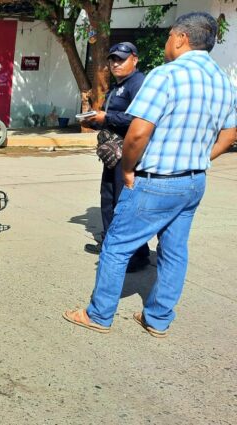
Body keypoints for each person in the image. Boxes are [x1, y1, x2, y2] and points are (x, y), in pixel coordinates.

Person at [64, 12, 237, 337]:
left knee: (115, 245)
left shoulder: (166, 76)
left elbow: (139, 133)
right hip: (194, 181)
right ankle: (157, 319)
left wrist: (128, 168)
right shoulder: (223, 82)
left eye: (170, 36)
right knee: (174, 250)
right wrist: (199, 157)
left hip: (157, 179)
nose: (168, 42)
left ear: (182, 38)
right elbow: (229, 136)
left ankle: (99, 315)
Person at [81, 42, 150, 273]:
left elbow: (139, 120)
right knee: (108, 198)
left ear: (135, 59)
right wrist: (92, 120)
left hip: (129, 153)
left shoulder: (138, 83)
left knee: (125, 204)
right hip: (113, 153)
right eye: (112, 59)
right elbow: (112, 118)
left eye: (121, 59)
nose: (115, 63)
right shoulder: (118, 86)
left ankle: (138, 256)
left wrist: (106, 117)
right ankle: (110, 246)